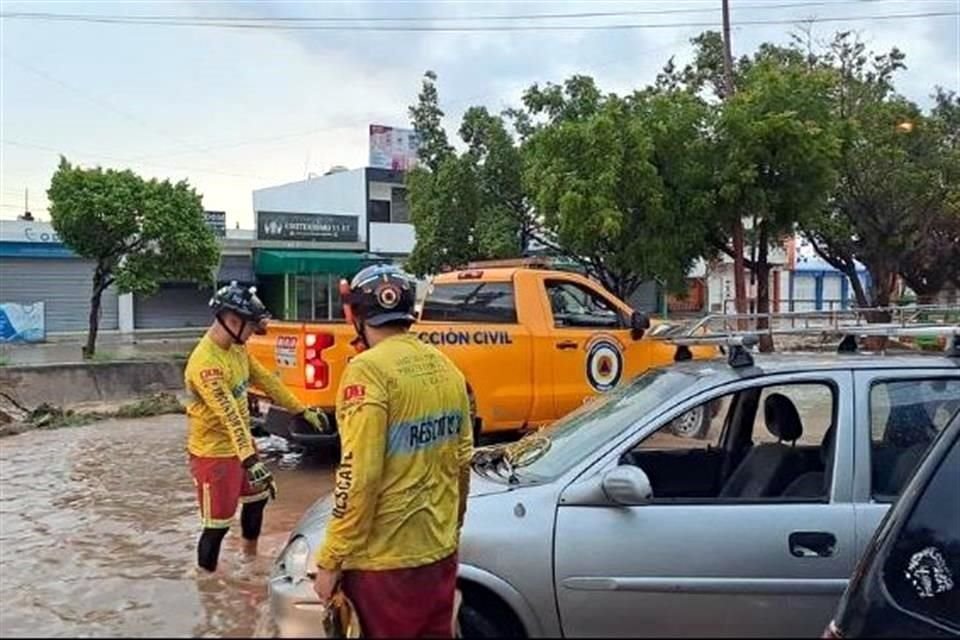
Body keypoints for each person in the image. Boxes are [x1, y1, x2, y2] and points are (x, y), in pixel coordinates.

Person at [312, 264, 473, 639]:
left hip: (383, 565)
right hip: (439, 554)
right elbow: (463, 463)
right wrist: (452, 530)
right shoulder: (447, 368)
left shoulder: (366, 372)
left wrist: (331, 558)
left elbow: (358, 478)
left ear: (354, 315)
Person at [184, 281, 324, 573]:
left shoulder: (237, 349)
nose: (251, 334)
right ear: (231, 320)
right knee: (217, 526)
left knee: (257, 500)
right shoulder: (205, 365)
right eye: (249, 326)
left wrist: (302, 408)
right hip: (214, 454)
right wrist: (250, 460)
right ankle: (206, 584)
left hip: (241, 447)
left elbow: (268, 380)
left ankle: (249, 561)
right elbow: (230, 415)